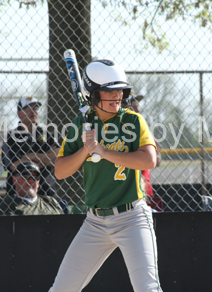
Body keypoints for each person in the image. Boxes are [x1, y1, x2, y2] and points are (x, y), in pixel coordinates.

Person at [49, 59, 162, 291]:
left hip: (132, 218)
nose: (117, 96)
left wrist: (103, 151)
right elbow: (60, 171)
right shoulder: (81, 124)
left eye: (120, 90)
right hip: (95, 222)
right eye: (110, 91)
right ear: (94, 95)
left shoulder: (132, 120)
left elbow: (149, 159)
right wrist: (85, 150)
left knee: (147, 288)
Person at [2, 96, 60, 197]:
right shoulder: (11, 137)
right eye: (28, 108)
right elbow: (14, 166)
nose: (33, 111)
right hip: (18, 196)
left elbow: (58, 159)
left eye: (36, 108)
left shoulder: (47, 134)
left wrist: (30, 156)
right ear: (19, 114)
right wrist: (46, 160)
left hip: (47, 194)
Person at [122, 92, 162, 211]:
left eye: (137, 107)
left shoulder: (143, 129)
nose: (138, 110)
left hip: (145, 192)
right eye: (134, 107)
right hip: (123, 192)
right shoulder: (114, 132)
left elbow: (157, 160)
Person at [0, 162, 64, 216]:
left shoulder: (51, 202)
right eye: (26, 176)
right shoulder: (7, 205)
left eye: (35, 177)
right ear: (15, 179)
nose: (31, 180)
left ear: (38, 181)